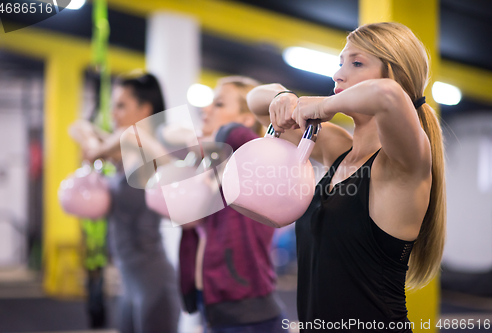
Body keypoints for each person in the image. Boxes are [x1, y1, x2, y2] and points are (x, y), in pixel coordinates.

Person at [247, 22, 446, 332]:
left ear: (393, 73)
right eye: (340, 63)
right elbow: (256, 102)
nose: (337, 74)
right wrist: (284, 97)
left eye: (356, 63)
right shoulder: (338, 150)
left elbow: (389, 96)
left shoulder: (403, 162)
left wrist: (325, 105)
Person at [179, 76, 288, 333]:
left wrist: (210, 141)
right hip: (214, 308)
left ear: (247, 118)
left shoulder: (252, 159)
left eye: (218, 104)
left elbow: (235, 134)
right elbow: (185, 218)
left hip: (247, 313)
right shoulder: (216, 167)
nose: (206, 110)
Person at [80, 73, 181, 333]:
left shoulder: (153, 148)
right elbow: (77, 127)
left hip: (154, 283)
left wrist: (97, 151)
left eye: (121, 105)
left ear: (145, 108)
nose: (113, 113)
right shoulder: (123, 150)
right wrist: (93, 144)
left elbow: (133, 134)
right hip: (128, 284)